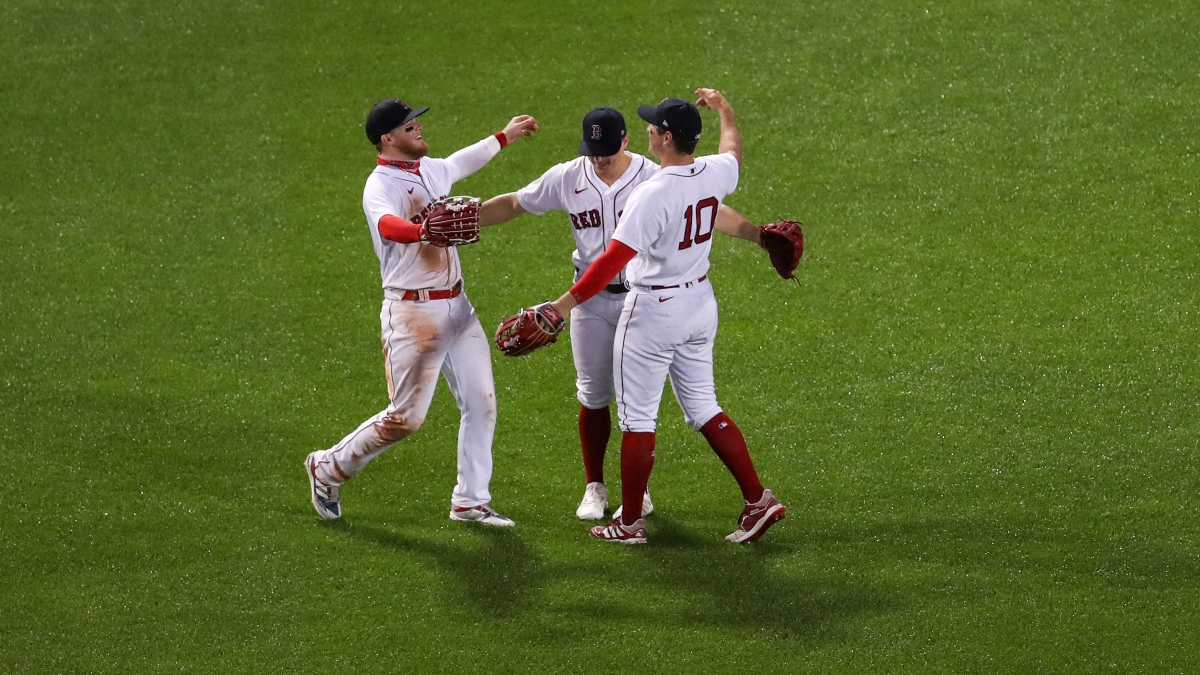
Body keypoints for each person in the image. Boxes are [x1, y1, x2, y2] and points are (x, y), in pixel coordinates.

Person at [478, 107, 764, 522]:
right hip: (593, 306)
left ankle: (635, 497)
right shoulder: (569, 176)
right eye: (593, 152)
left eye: (607, 152)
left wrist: (756, 234)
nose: (599, 160)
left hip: (640, 304)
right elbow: (516, 203)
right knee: (593, 395)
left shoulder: (653, 179)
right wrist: (468, 220)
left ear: (627, 141)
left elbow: (711, 211)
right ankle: (595, 485)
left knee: (639, 410)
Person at [536, 89, 785, 544]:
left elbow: (611, 261)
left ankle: (630, 522)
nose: (647, 130)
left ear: (666, 139)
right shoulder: (714, 171)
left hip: (652, 311)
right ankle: (757, 500)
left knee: (637, 419)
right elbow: (732, 147)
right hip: (699, 306)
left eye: (653, 127)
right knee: (705, 407)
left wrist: (561, 306)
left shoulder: (650, 194)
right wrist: (726, 109)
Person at [305, 98, 539, 526]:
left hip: (458, 307)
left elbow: (461, 162)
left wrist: (505, 135)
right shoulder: (380, 185)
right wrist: (421, 230)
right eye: (406, 125)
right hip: (413, 316)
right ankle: (327, 467)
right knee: (405, 419)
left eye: (415, 121)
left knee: (481, 402)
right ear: (387, 138)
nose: (415, 126)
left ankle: (470, 501)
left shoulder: (429, 169)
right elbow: (386, 225)